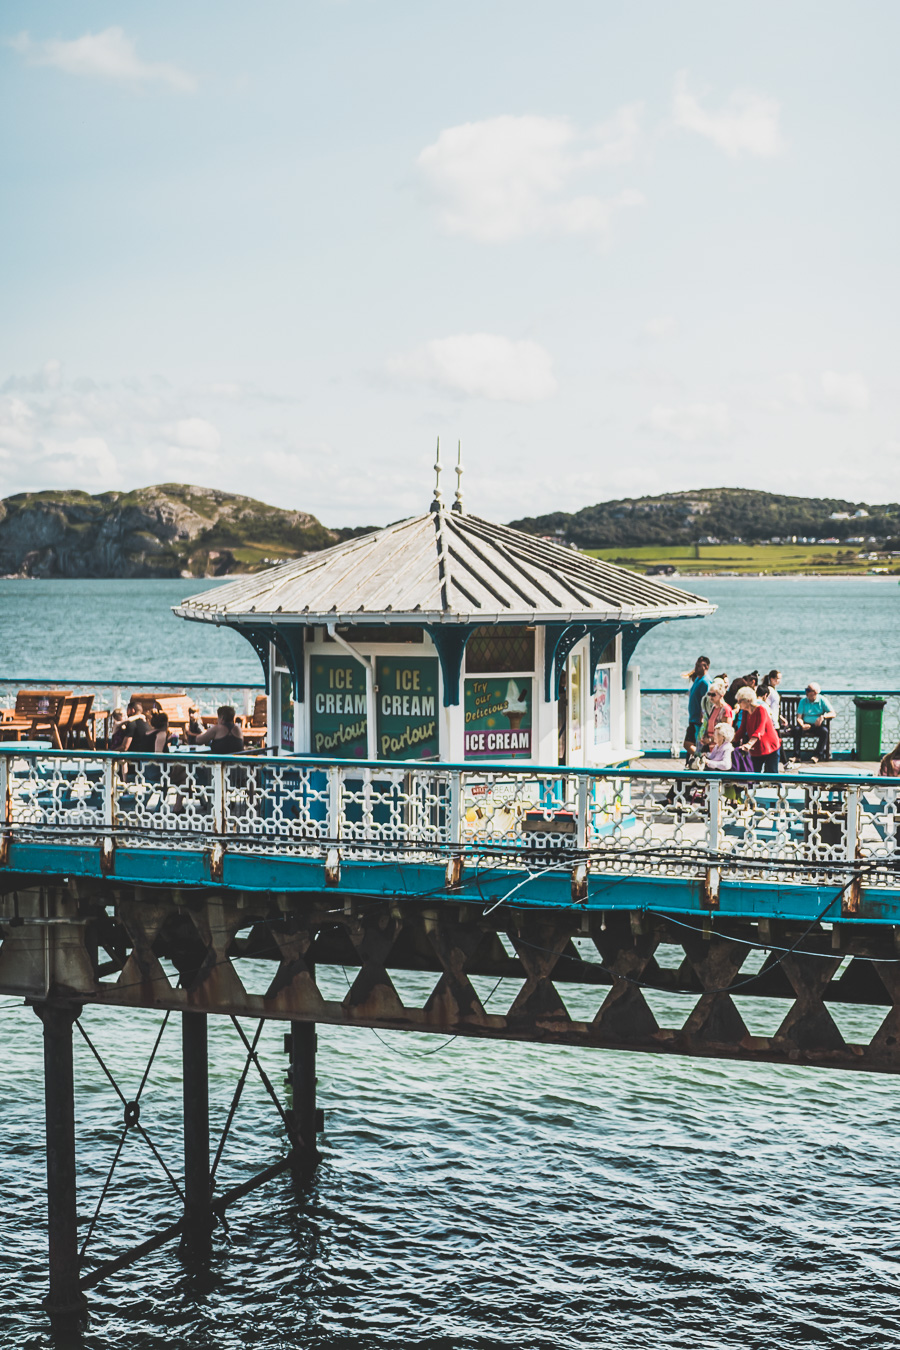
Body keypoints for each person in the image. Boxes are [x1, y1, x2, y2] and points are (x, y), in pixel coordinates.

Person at [733, 687, 781, 773]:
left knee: (772, 775)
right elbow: (742, 729)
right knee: (754, 774)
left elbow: (760, 729)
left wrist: (749, 744)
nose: (738, 703)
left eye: (740, 701)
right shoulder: (745, 712)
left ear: (748, 700)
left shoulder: (761, 709)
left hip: (770, 746)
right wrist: (730, 740)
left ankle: (779, 786)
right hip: (756, 748)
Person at [792, 682, 834, 762]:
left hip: (817, 725)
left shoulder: (822, 700)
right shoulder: (803, 701)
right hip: (805, 724)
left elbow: (833, 713)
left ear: (815, 693)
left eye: (809, 690)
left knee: (824, 732)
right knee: (796, 730)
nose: (807, 692)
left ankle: (817, 755)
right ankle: (796, 755)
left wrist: (823, 717)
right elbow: (799, 717)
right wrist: (802, 724)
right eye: (806, 690)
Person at [684, 656, 711, 756]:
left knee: (689, 744)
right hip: (693, 718)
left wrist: (703, 716)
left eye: (699, 666)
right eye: (696, 665)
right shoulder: (698, 679)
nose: (696, 668)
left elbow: (707, 700)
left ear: (706, 667)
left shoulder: (705, 682)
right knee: (692, 744)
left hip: (698, 720)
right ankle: (694, 760)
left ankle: (702, 757)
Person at [700, 679, 733, 749]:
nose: (710, 697)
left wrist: (710, 739)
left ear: (721, 695)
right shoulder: (714, 708)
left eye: (713, 695)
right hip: (710, 745)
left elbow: (725, 732)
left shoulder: (725, 709)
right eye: (709, 694)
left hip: (719, 746)